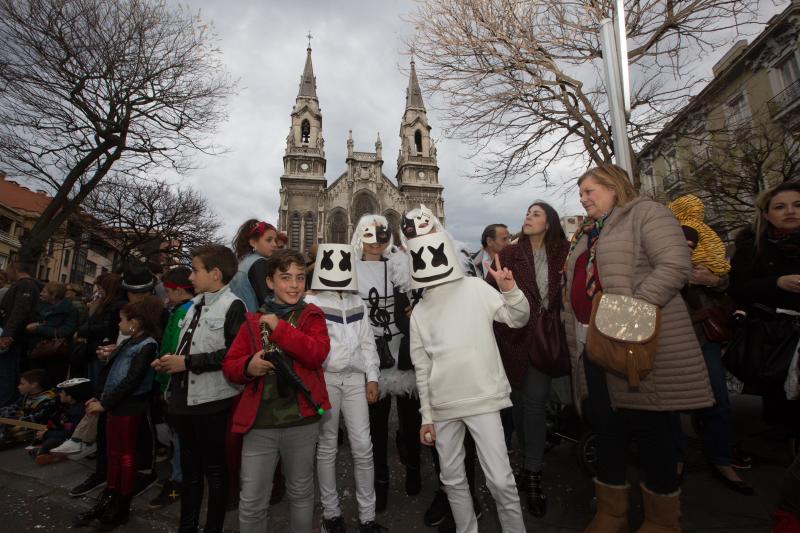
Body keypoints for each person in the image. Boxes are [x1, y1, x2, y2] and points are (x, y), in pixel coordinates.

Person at [563, 164, 713, 533]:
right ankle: (611, 513)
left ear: (614, 187)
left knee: (654, 435)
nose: (583, 199)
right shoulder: (588, 233)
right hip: (598, 348)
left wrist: (629, 316)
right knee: (608, 432)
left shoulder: (647, 213)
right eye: (580, 194)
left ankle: (662, 521)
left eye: (590, 191)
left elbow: (675, 266)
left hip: (642, 346)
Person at [408, 223, 529, 533]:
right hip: (444, 405)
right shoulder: (420, 312)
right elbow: (422, 368)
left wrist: (509, 290)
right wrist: (426, 416)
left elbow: (517, 318)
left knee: (501, 480)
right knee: (452, 479)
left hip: (483, 398)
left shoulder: (475, 288)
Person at [222, 249, 331, 533]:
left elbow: (316, 354)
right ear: (270, 282)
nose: (294, 285)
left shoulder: (313, 316)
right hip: (260, 425)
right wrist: (248, 366)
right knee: (252, 501)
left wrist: (280, 328)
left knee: (301, 492)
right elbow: (230, 367)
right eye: (286, 278)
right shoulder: (250, 320)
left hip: (301, 421)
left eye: (299, 277)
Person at [152, 246, 246, 533]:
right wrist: (170, 362)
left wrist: (188, 363)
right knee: (190, 472)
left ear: (215, 274)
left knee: (215, 472)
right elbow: (187, 344)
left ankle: (213, 527)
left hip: (212, 402)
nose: (190, 276)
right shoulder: (192, 306)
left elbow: (232, 355)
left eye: (195, 270)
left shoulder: (233, 306)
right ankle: (187, 525)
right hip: (184, 400)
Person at [666, 195, 754, 495]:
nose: (687, 249)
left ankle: (721, 459)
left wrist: (712, 281)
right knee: (670, 405)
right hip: (669, 339)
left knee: (717, 398)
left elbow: (730, 284)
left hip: (704, 337)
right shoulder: (659, 258)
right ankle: (675, 460)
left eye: (691, 245)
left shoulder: (709, 253)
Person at [488, 201, 569, 517]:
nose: (529, 216)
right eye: (527, 213)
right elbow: (488, 293)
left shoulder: (563, 251)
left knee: (534, 402)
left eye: (536, 214)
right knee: (520, 405)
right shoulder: (508, 254)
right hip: (514, 340)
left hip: (546, 339)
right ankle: (526, 461)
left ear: (549, 222)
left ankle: (533, 472)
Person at [305, 243, 386, 533]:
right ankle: (331, 514)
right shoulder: (310, 303)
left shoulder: (358, 302)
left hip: (354, 380)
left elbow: (367, 341)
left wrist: (372, 376)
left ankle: (367, 517)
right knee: (327, 447)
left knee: (363, 446)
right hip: (325, 379)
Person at [74, 296, 163, 531]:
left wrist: (105, 403)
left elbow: (132, 381)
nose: (118, 325)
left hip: (129, 407)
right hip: (115, 405)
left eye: (121, 320)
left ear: (135, 322)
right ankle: (109, 497)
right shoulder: (130, 343)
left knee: (126, 455)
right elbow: (113, 374)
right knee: (114, 454)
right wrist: (101, 398)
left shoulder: (147, 345)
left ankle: (121, 503)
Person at [351, 214, 420, 513]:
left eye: (382, 235)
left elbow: (420, 294)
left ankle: (414, 467)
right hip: (370, 358)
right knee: (375, 426)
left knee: (411, 418)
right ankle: (380, 481)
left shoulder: (399, 265)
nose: (376, 241)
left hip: (402, 353)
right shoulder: (349, 269)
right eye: (369, 235)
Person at [729, 180, 800, 427]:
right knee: (783, 408)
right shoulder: (753, 248)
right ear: (767, 214)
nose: (790, 211)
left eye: (797, 205)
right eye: (780, 207)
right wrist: (776, 283)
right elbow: (737, 289)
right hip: (776, 339)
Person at [68, 273, 128, 498]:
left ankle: (95, 449)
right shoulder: (103, 303)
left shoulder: (115, 305)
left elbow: (106, 328)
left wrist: (84, 332)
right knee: (95, 396)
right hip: (97, 354)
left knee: (100, 398)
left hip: (101, 355)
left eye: (100, 287)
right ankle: (91, 443)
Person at [148, 266, 194, 510]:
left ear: (178, 290)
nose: (165, 298)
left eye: (168, 292)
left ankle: (179, 481)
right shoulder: (181, 309)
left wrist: (164, 380)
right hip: (174, 379)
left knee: (179, 437)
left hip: (175, 382)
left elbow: (175, 347)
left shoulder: (184, 312)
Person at [0, 261, 41, 406]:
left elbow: (19, 311)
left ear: (15, 269)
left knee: (8, 373)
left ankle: (5, 405)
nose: (6, 272)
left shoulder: (26, 285)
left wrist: (7, 334)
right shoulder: (25, 285)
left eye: (8, 269)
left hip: (15, 338)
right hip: (15, 336)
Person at [26, 282, 80, 386]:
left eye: (44, 292)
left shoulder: (70, 310)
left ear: (54, 294)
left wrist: (39, 328)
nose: (41, 294)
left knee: (52, 382)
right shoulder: (40, 306)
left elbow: (66, 331)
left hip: (55, 353)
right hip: (37, 351)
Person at [33, 377, 92, 465]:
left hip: (75, 439)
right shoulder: (68, 406)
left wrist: (47, 433)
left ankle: (52, 455)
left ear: (70, 396)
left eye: (62, 392)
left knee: (50, 442)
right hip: (65, 434)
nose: (59, 394)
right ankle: (44, 452)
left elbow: (70, 433)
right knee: (44, 438)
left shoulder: (78, 411)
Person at [230, 219, 280, 311]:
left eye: (275, 240)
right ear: (253, 242)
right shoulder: (259, 263)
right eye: (269, 240)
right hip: (253, 321)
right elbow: (268, 302)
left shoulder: (242, 262)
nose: (274, 244)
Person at [0, 369, 56, 445]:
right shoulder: (27, 395)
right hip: (26, 422)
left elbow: (36, 418)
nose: (18, 386)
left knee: (6, 423)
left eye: (22, 384)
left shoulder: (48, 398)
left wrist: (9, 420)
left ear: (34, 385)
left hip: (40, 426)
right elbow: (13, 408)